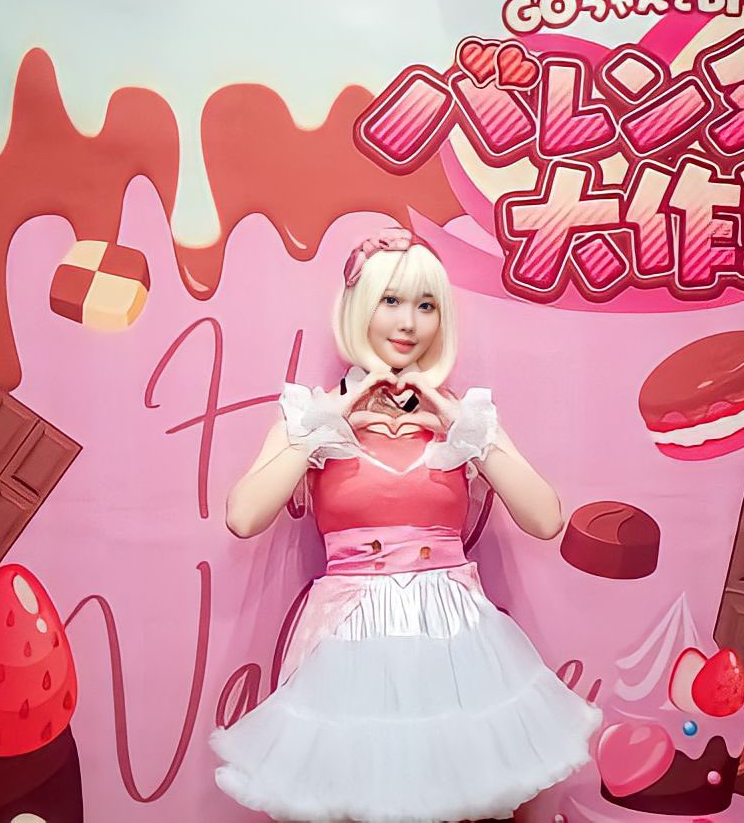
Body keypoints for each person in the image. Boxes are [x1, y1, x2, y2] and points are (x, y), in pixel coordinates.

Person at [211, 227, 601, 822]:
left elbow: (546, 519)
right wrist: (324, 423)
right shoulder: (311, 414)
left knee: (460, 803)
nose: (408, 323)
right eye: (391, 301)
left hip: (455, 642)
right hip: (352, 638)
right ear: (359, 307)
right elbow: (243, 516)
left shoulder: (463, 417)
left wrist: (462, 427)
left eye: (426, 305)